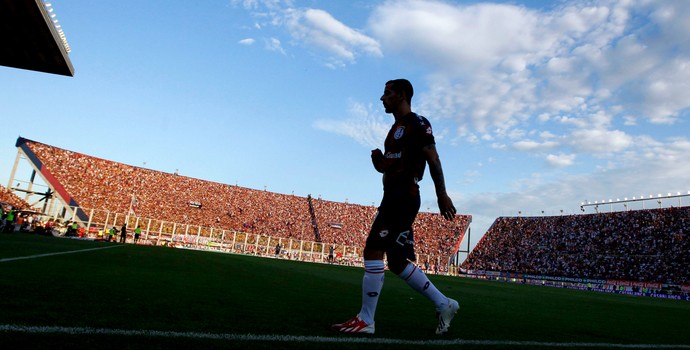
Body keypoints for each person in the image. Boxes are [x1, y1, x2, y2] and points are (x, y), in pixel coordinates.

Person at [331, 79, 459, 335]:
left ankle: (366, 320)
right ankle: (444, 304)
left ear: (401, 95)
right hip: (393, 196)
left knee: (373, 249)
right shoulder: (394, 130)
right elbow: (393, 166)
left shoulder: (417, 123)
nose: (382, 98)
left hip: (403, 196)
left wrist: (442, 194)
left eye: (387, 93)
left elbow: (432, 157)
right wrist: (380, 163)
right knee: (398, 262)